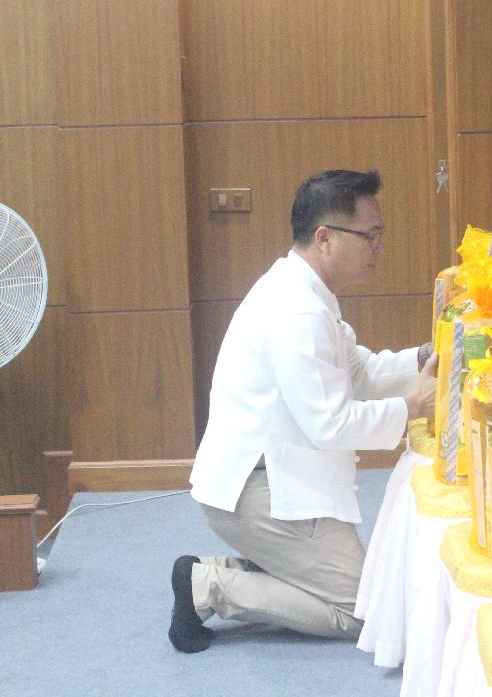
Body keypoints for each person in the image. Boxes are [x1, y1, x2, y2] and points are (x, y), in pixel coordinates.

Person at [169, 169, 437, 653]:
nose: (379, 247)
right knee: (362, 613)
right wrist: (413, 407)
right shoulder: (298, 310)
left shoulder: (306, 291)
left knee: (366, 593)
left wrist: (423, 357)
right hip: (257, 492)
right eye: (370, 235)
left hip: (270, 478)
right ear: (325, 237)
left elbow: (359, 372)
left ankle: (216, 572)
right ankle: (207, 586)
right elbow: (330, 425)